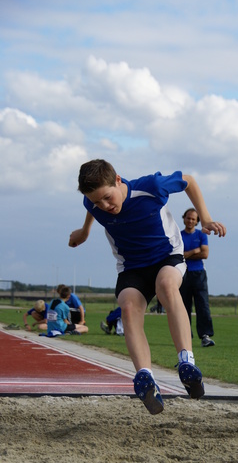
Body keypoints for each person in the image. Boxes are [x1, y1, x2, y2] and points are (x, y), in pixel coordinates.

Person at [69, 159, 226, 416]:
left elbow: (189, 180)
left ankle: (186, 362)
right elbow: (92, 207)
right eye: (97, 202)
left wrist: (205, 218)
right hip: (131, 266)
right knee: (128, 307)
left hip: (167, 256)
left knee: (166, 286)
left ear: (118, 180)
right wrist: (85, 231)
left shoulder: (151, 186)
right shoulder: (93, 202)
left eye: (108, 198)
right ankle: (145, 377)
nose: (105, 207)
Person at [179, 207, 215, 347]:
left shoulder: (201, 234)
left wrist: (188, 253)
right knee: (183, 306)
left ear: (197, 221)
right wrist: (195, 250)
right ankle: (186, 335)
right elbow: (178, 254)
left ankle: (205, 336)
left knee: (203, 305)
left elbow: (205, 254)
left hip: (199, 273)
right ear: (184, 218)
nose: (190, 221)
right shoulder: (178, 235)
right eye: (188, 218)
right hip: (183, 273)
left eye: (193, 219)